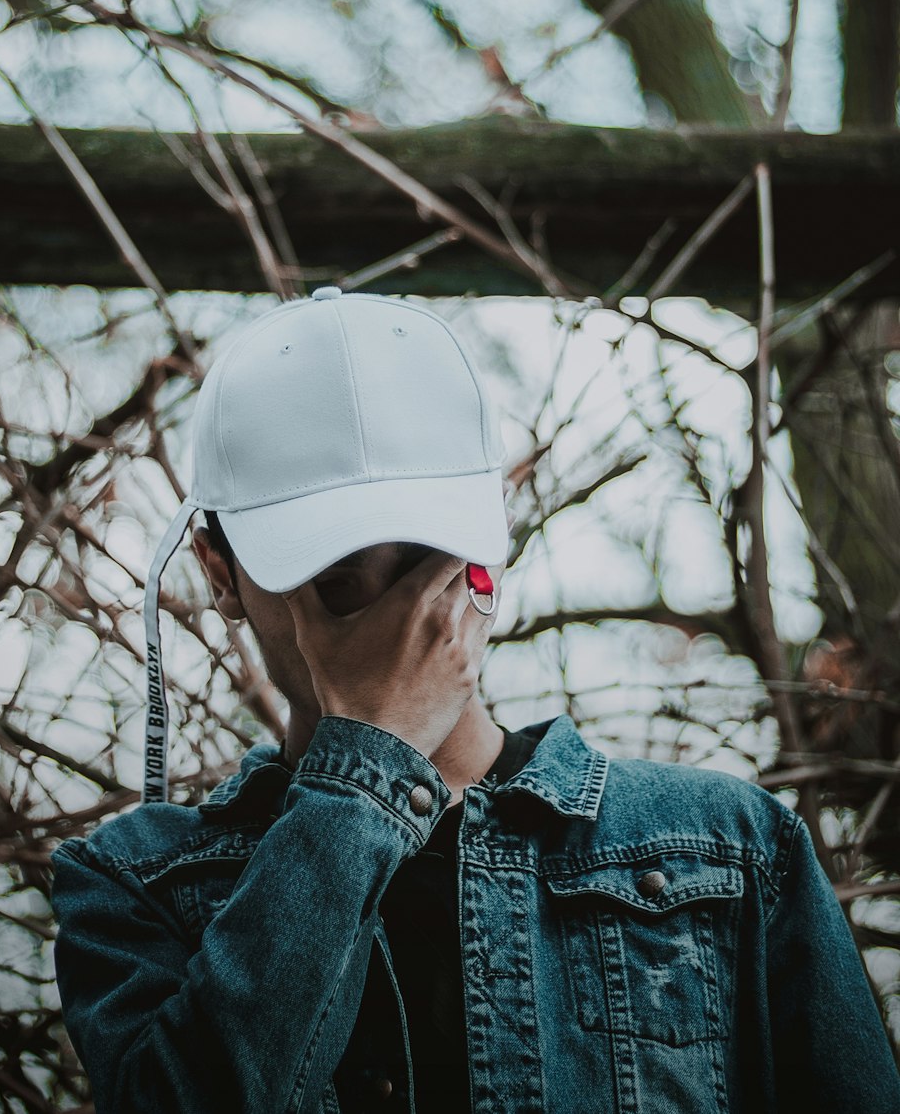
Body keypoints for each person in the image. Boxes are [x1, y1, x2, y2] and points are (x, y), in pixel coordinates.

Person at [51, 287, 899, 1114]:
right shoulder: (132, 886)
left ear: (487, 543)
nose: (394, 615)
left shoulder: (728, 853)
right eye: (334, 579)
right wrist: (366, 762)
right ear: (219, 572)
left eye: (424, 560)